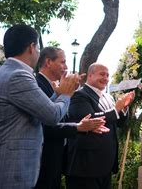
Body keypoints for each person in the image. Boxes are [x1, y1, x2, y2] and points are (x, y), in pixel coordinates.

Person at [0, 24, 81, 189]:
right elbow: (52, 116)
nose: (38, 52)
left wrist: (57, 94)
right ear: (31, 47)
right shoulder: (18, 75)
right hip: (10, 170)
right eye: (37, 48)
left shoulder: (10, 72)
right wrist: (66, 94)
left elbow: (39, 109)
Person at [35, 47, 108, 189]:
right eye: (62, 62)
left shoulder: (55, 87)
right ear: (48, 62)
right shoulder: (38, 85)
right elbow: (45, 124)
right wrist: (78, 127)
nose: (66, 67)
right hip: (43, 160)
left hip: (55, 160)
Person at [65, 63, 134, 189]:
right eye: (102, 74)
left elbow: (119, 123)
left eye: (108, 75)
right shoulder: (79, 95)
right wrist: (115, 110)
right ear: (90, 75)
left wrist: (123, 108)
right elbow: (89, 119)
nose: (106, 78)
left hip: (104, 167)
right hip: (85, 167)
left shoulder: (108, 98)